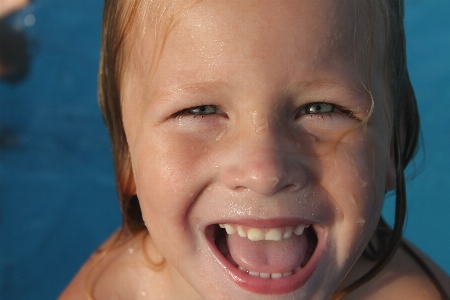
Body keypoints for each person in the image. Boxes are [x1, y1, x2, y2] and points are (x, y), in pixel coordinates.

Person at [60, 0, 450, 299]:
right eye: (200, 110)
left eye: (321, 109)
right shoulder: (110, 290)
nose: (265, 172)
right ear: (127, 154)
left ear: (393, 144)